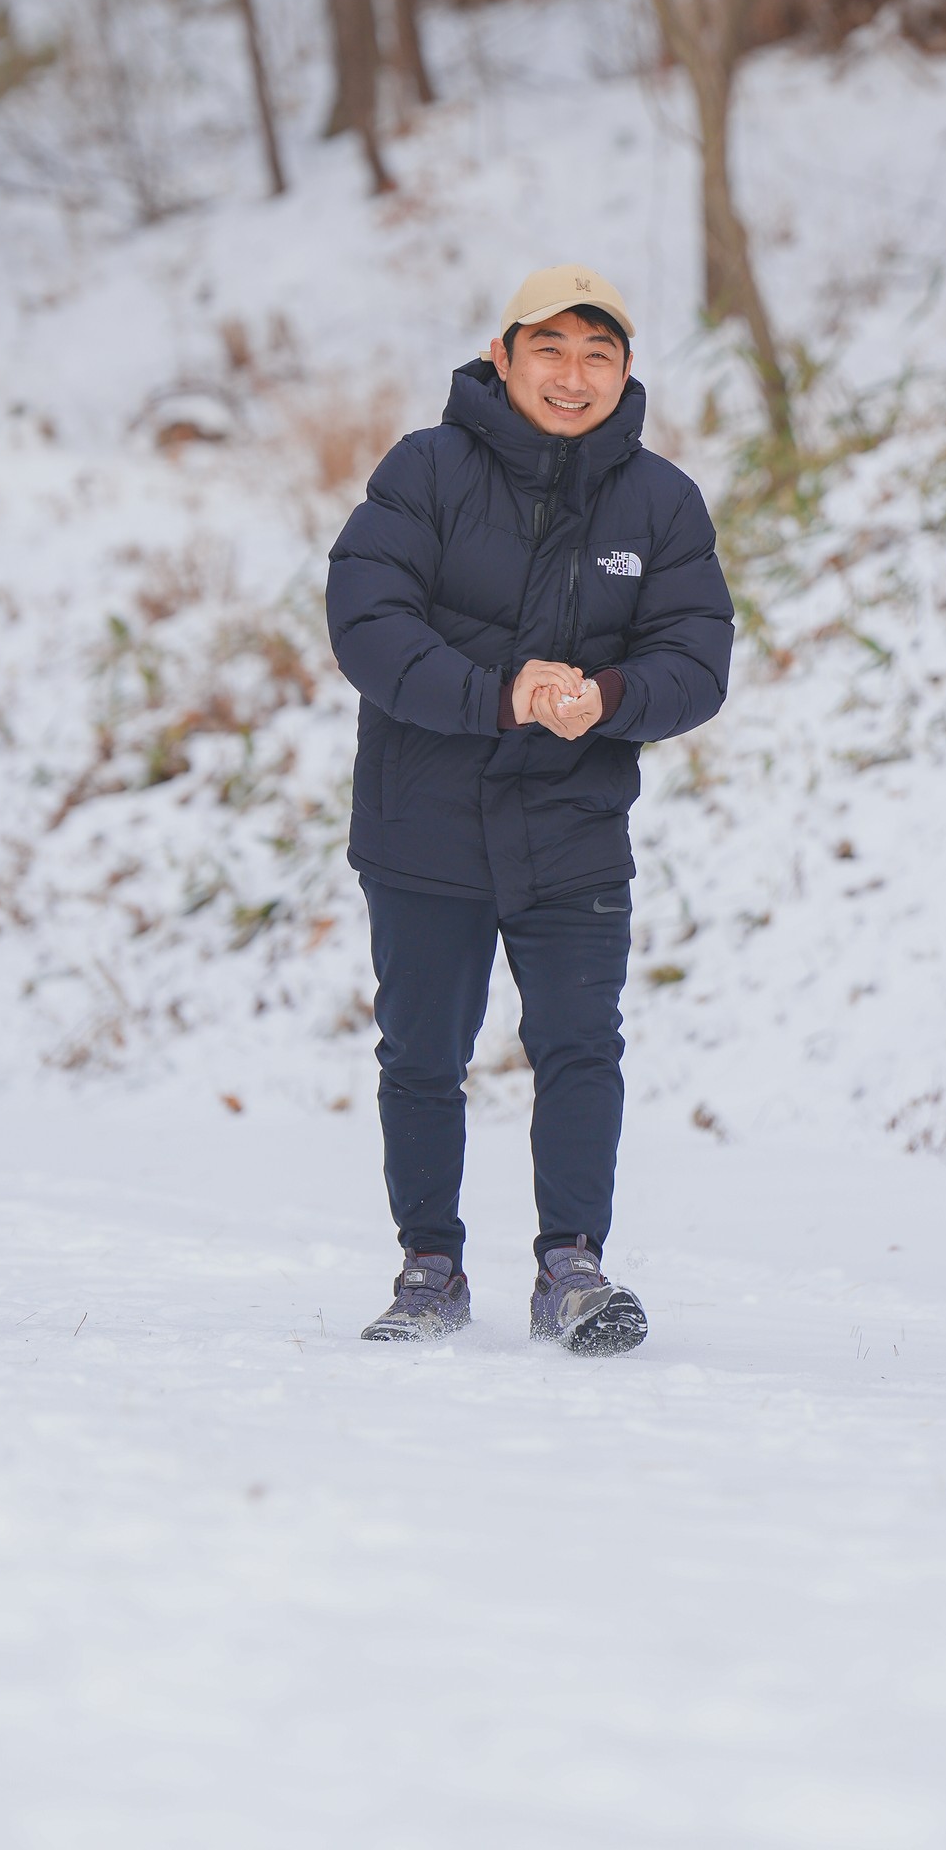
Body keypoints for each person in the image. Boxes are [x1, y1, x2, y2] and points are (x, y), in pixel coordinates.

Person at [325, 264, 734, 1355]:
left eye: (598, 354)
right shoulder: (424, 470)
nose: (572, 375)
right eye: (549, 348)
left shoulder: (661, 502)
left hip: (572, 827)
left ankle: (572, 1268)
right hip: (422, 823)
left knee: (579, 1046)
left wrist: (609, 697)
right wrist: (497, 695)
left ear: (625, 371)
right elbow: (367, 623)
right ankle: (429, 1269)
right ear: (501, 356)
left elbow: (697, 659)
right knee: (422, 1053)